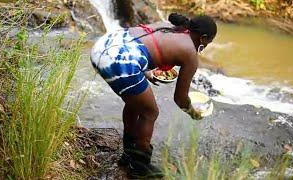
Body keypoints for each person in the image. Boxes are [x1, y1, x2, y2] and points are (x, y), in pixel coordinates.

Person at [90, 13, 217, 179]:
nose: (207, 45)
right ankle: (139, 170)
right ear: (204, 38)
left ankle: (128, 156)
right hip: (120, 61)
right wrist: (194, 112)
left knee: (136, 103)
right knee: (150, 113)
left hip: (102, 47)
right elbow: (180, 99)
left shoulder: (167, 25)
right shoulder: (190, 54)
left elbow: (143, 44)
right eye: (209, 41)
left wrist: (147, 73)